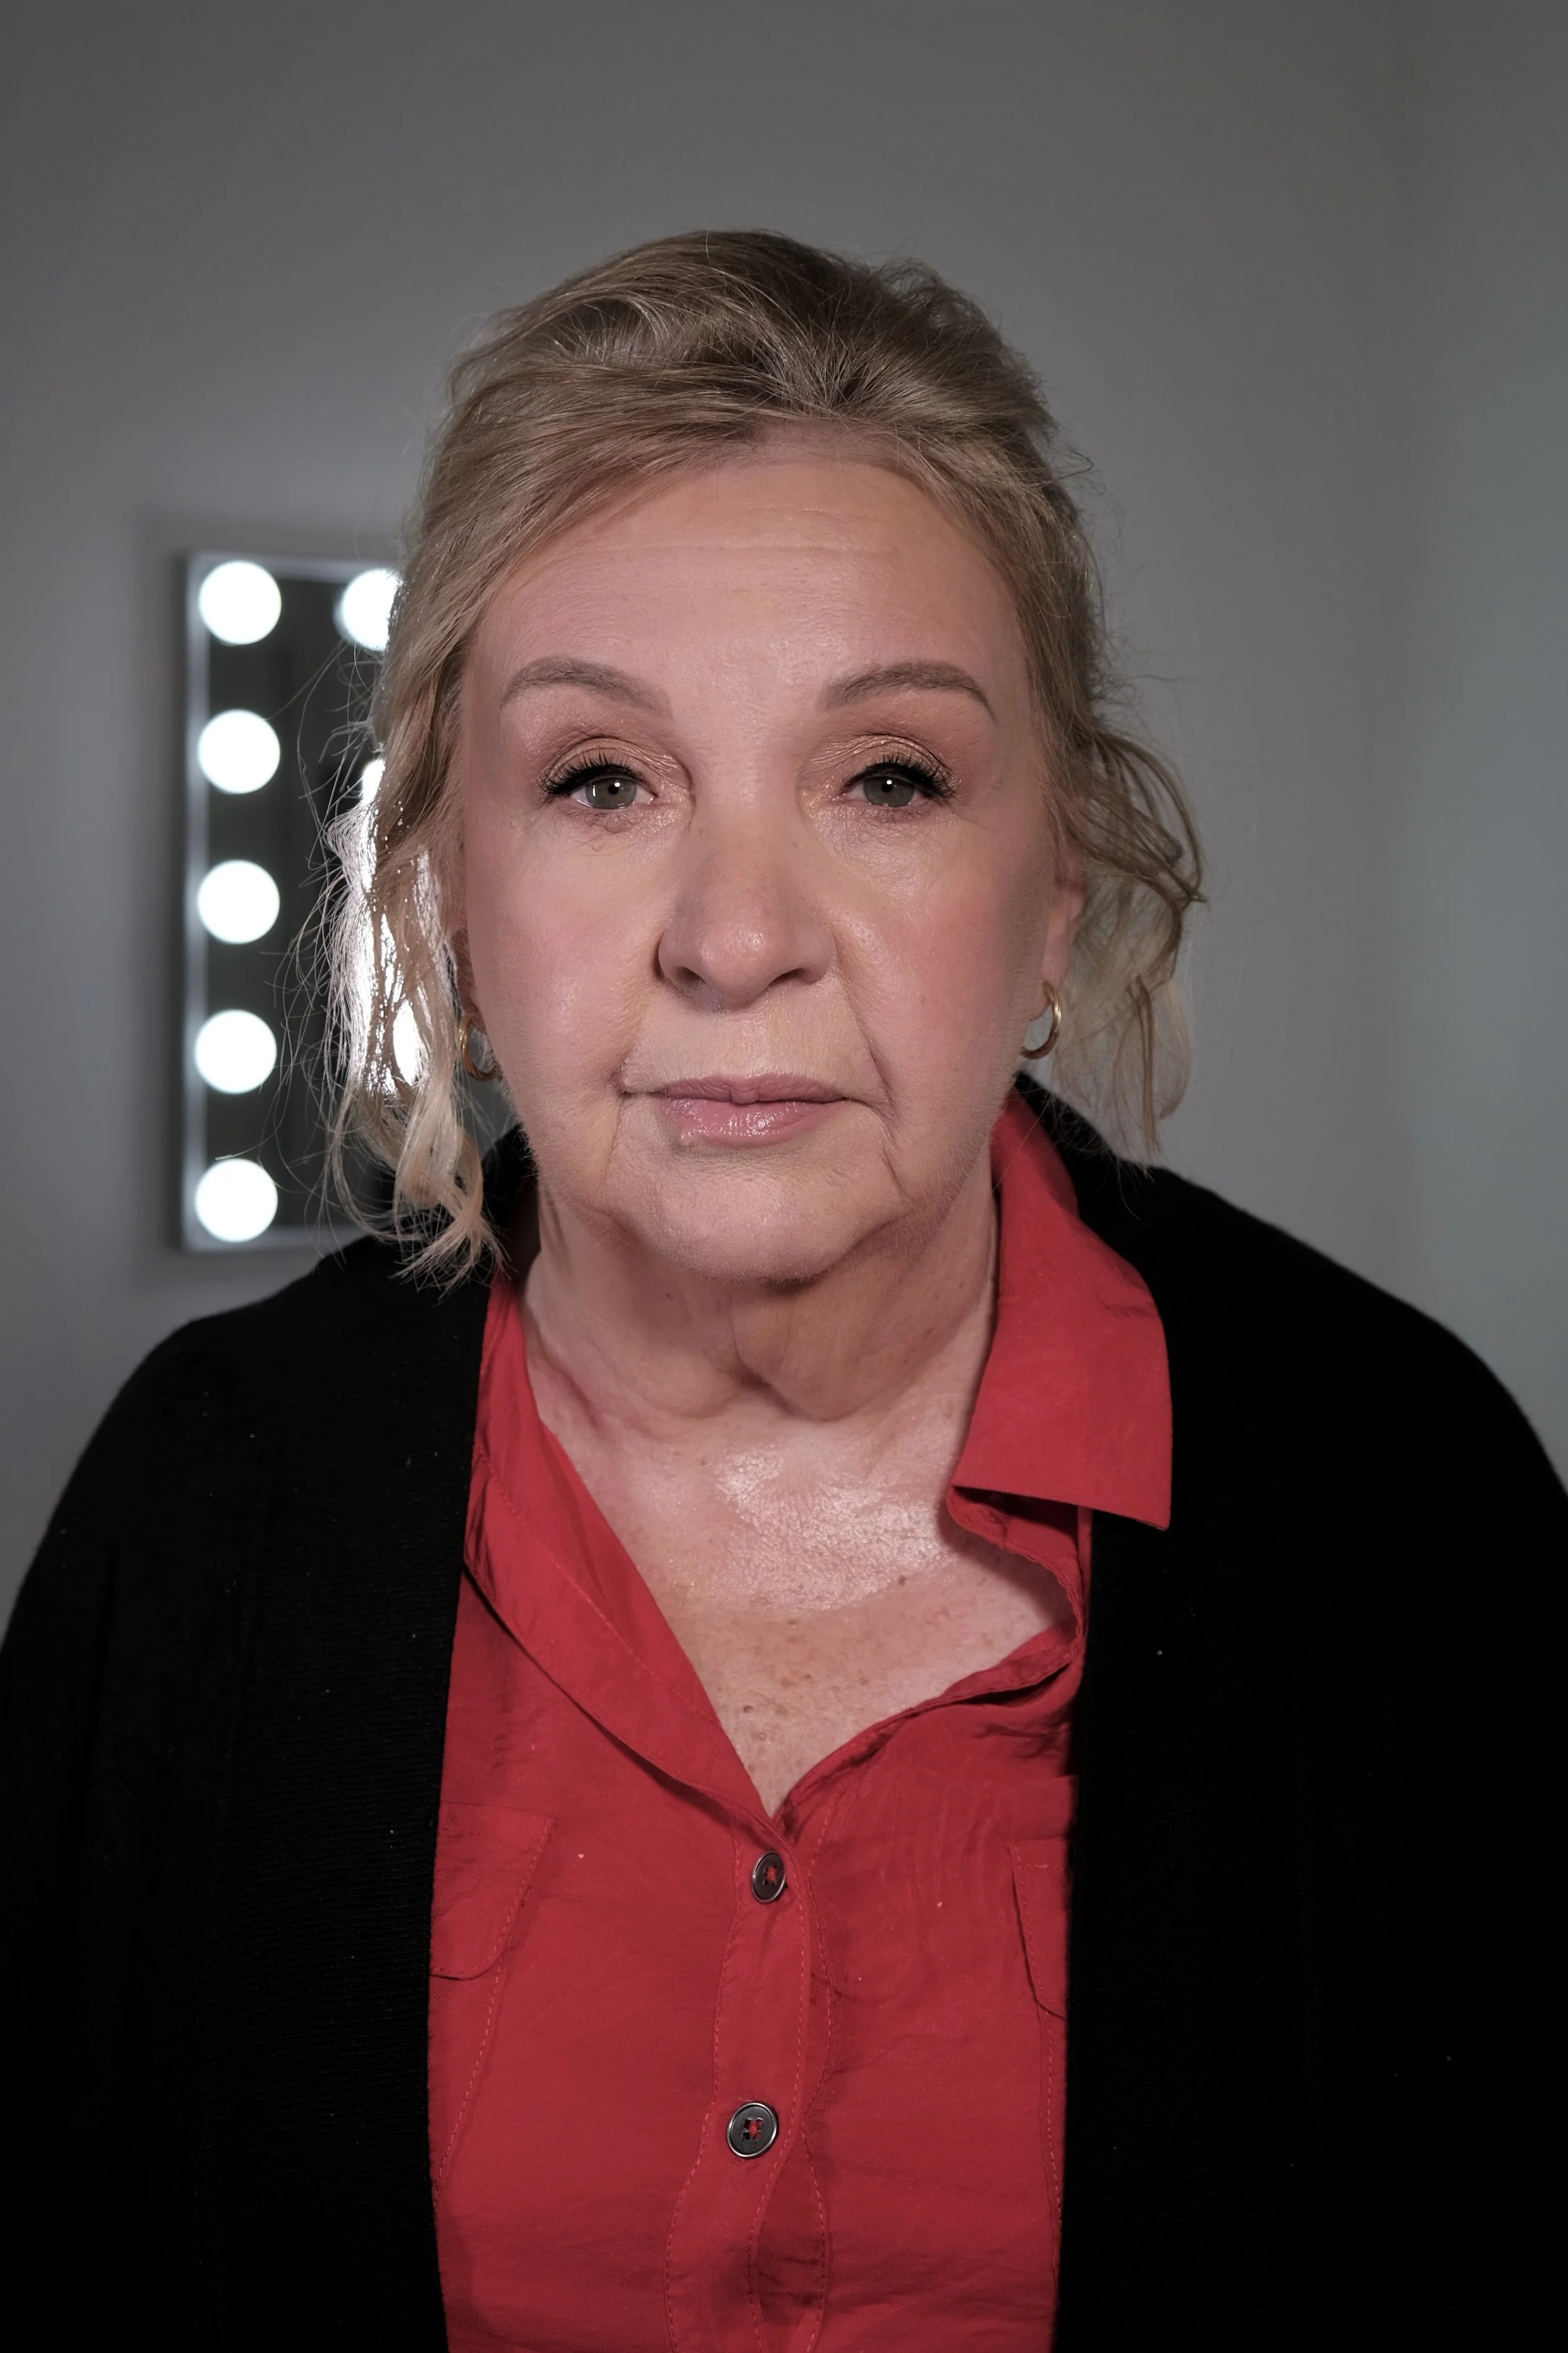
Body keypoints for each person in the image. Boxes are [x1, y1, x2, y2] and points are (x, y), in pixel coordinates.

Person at [3, 231, 1560, 2352]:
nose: (735, 936)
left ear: (1054, 897)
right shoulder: (201, 1503)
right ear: (455, 894)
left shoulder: (1410, 1493)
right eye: (601, 779)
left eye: (886, 777)